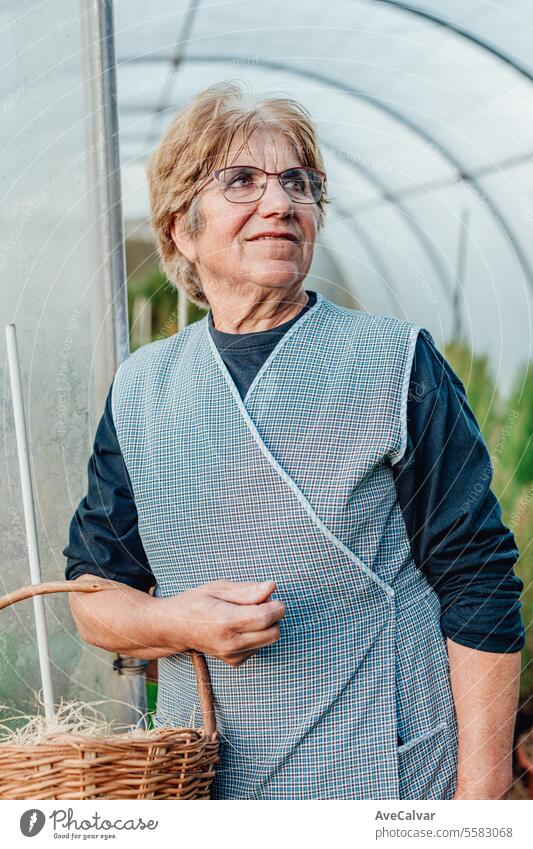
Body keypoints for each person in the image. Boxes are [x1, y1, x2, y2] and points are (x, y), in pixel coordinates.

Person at [64, 81, 524, 800]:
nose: (280, 202)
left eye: (298, 183)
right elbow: (93, 591)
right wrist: (172, 619)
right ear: (181, 227)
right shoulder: (142, 387)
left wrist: (479, 801)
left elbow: (479, 577)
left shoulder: (395, 361)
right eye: (241, 181)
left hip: (385, 770)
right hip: (209, 781)